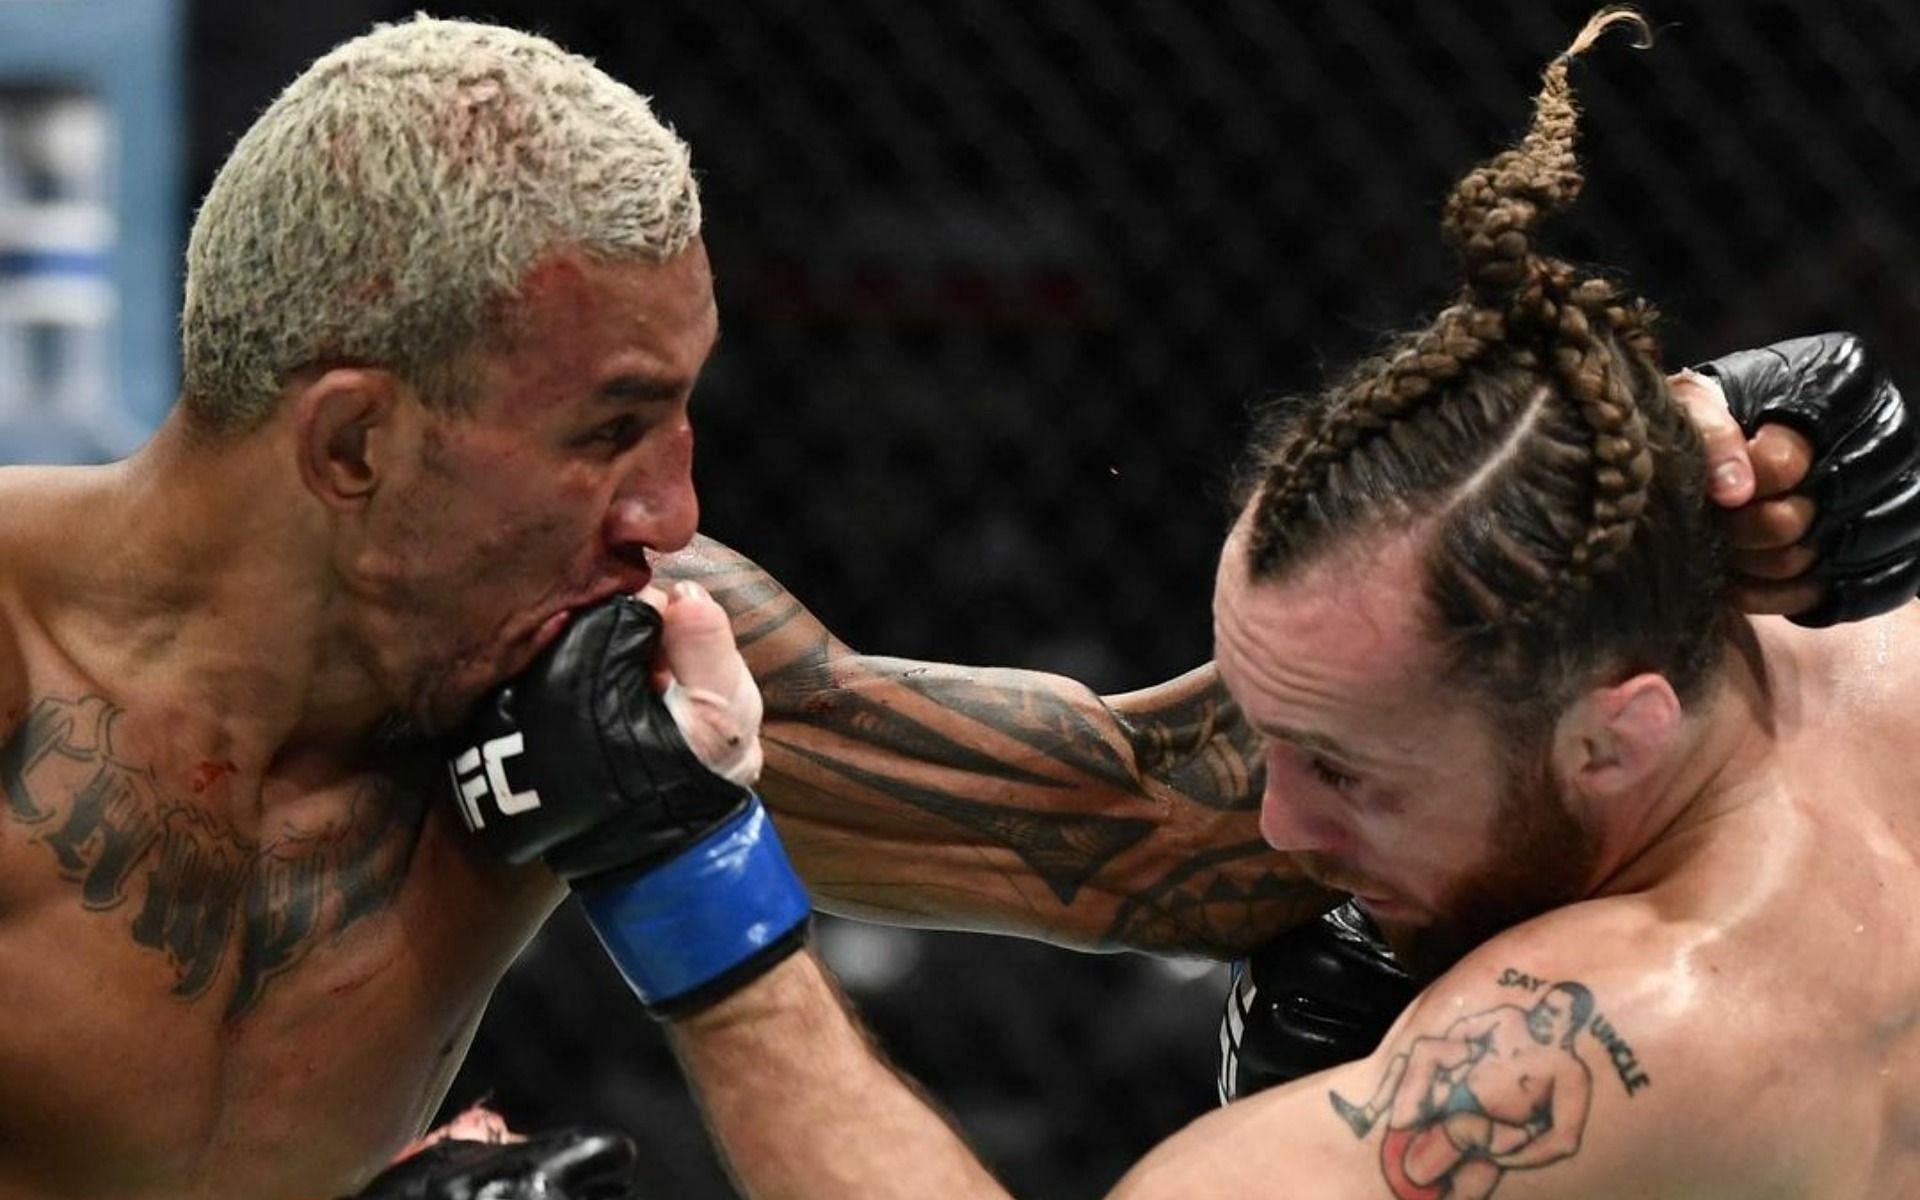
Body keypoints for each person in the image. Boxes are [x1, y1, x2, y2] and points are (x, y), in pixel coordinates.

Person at [0, 12, 1902, 1199]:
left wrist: (1615, 548)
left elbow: (1161, 835)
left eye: (683, 413)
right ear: (352, 448)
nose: (674, 508)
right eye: (610, 429)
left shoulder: (614, 640)